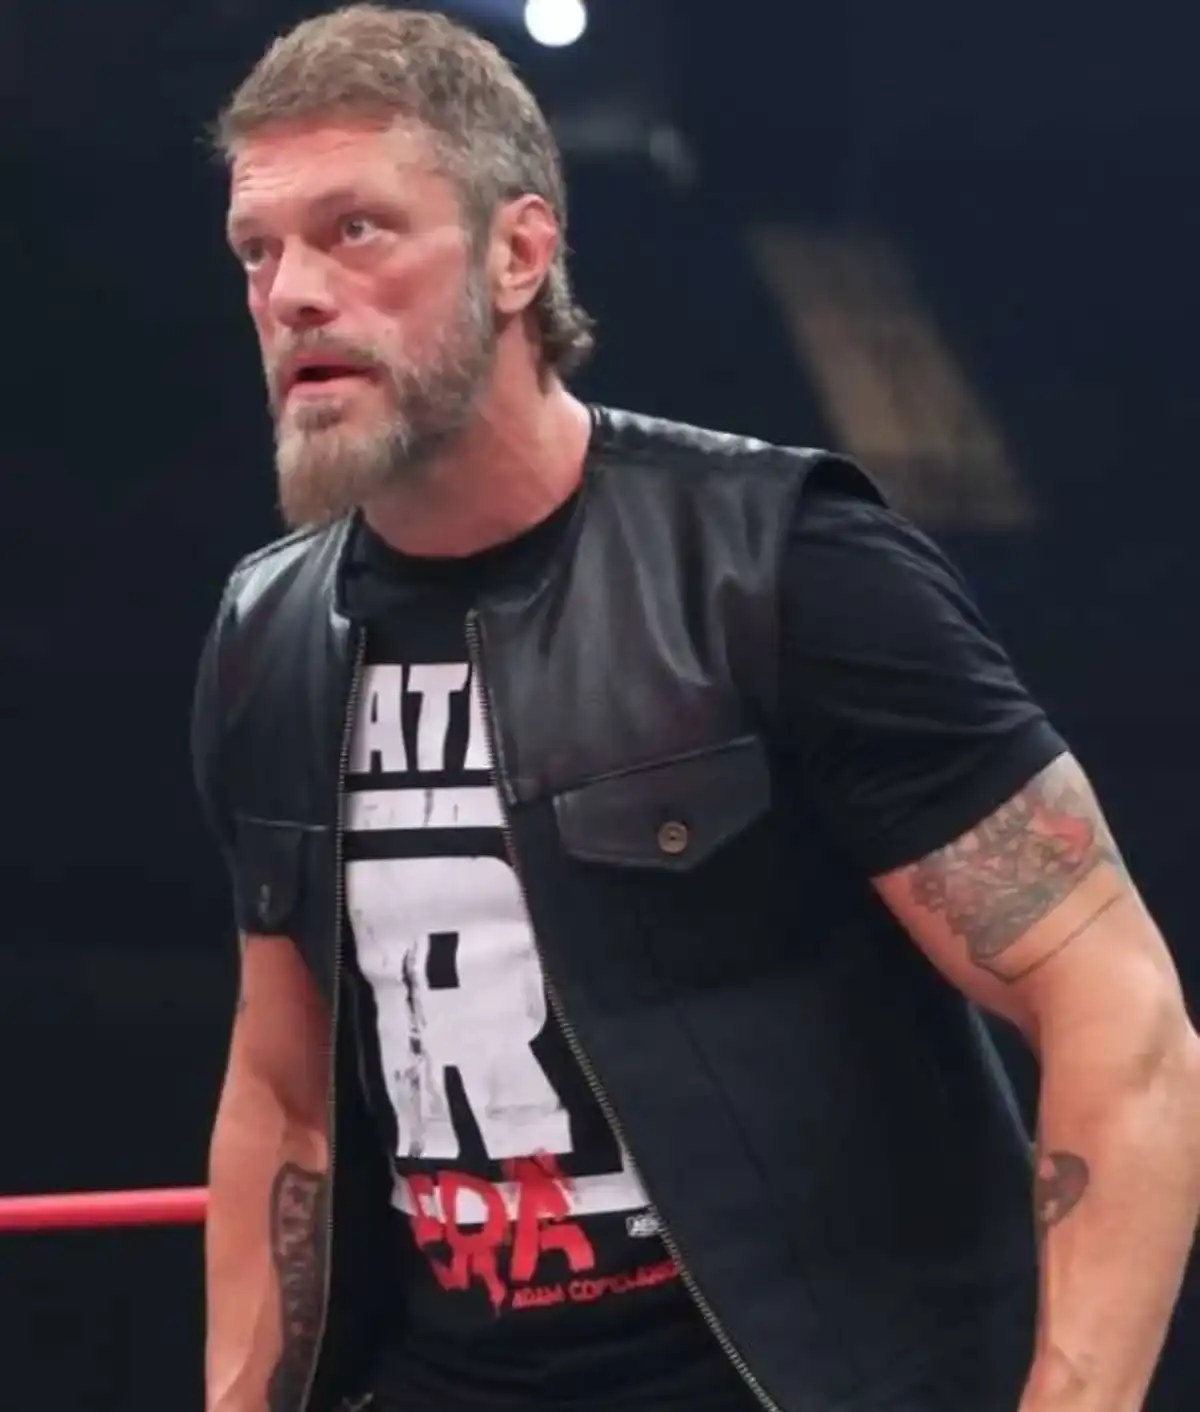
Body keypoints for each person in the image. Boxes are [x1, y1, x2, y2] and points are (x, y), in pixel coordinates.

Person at [191, 7, 1200, 1412]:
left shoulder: (780, 565)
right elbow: (283, 1097)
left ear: (518, 253)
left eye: (354, 230)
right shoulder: (271, 631)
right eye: (258, 249)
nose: (293, 292)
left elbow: (1117, 1011)